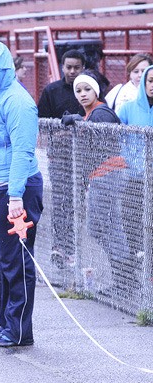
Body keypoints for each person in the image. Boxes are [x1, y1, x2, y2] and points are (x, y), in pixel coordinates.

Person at [0, 41, 43, 347]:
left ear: (4, 69)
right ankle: (6, 324)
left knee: (15, 262)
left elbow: (23, 151)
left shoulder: (18, 101)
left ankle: (18, 329)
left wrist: (15, 196)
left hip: (12, 190)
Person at [62, 71, 130, 290]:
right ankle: (121, 279)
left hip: (109, 174)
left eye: (87, 89)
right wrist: (80, 122)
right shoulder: (90, 114)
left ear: (96, 91)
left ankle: (124, 281)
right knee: (100, 228)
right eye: (78, 90)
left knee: (108, 228)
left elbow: (102, 144)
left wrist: (80, 126)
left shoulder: (101, 113)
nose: (82, 94)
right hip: (99, 175)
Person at [38, 49, 86, 269]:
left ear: (83, 68)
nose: (72, 71)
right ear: (62, 67)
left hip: (84, 158)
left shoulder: (89, 90)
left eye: (77, 67)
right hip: (59, 158)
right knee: (61, 202)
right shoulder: (52, 91)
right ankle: (61, 247)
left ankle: (77, 249)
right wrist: (58, 133)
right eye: (69, 67)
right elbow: (41, 122)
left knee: (81, 204)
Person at [117, 64, 153, 266]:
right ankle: (136, 259)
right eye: (150, 81)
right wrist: (129, 160)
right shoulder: (129, 107)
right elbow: (117, 136)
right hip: (135, 177)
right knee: (131, 219)